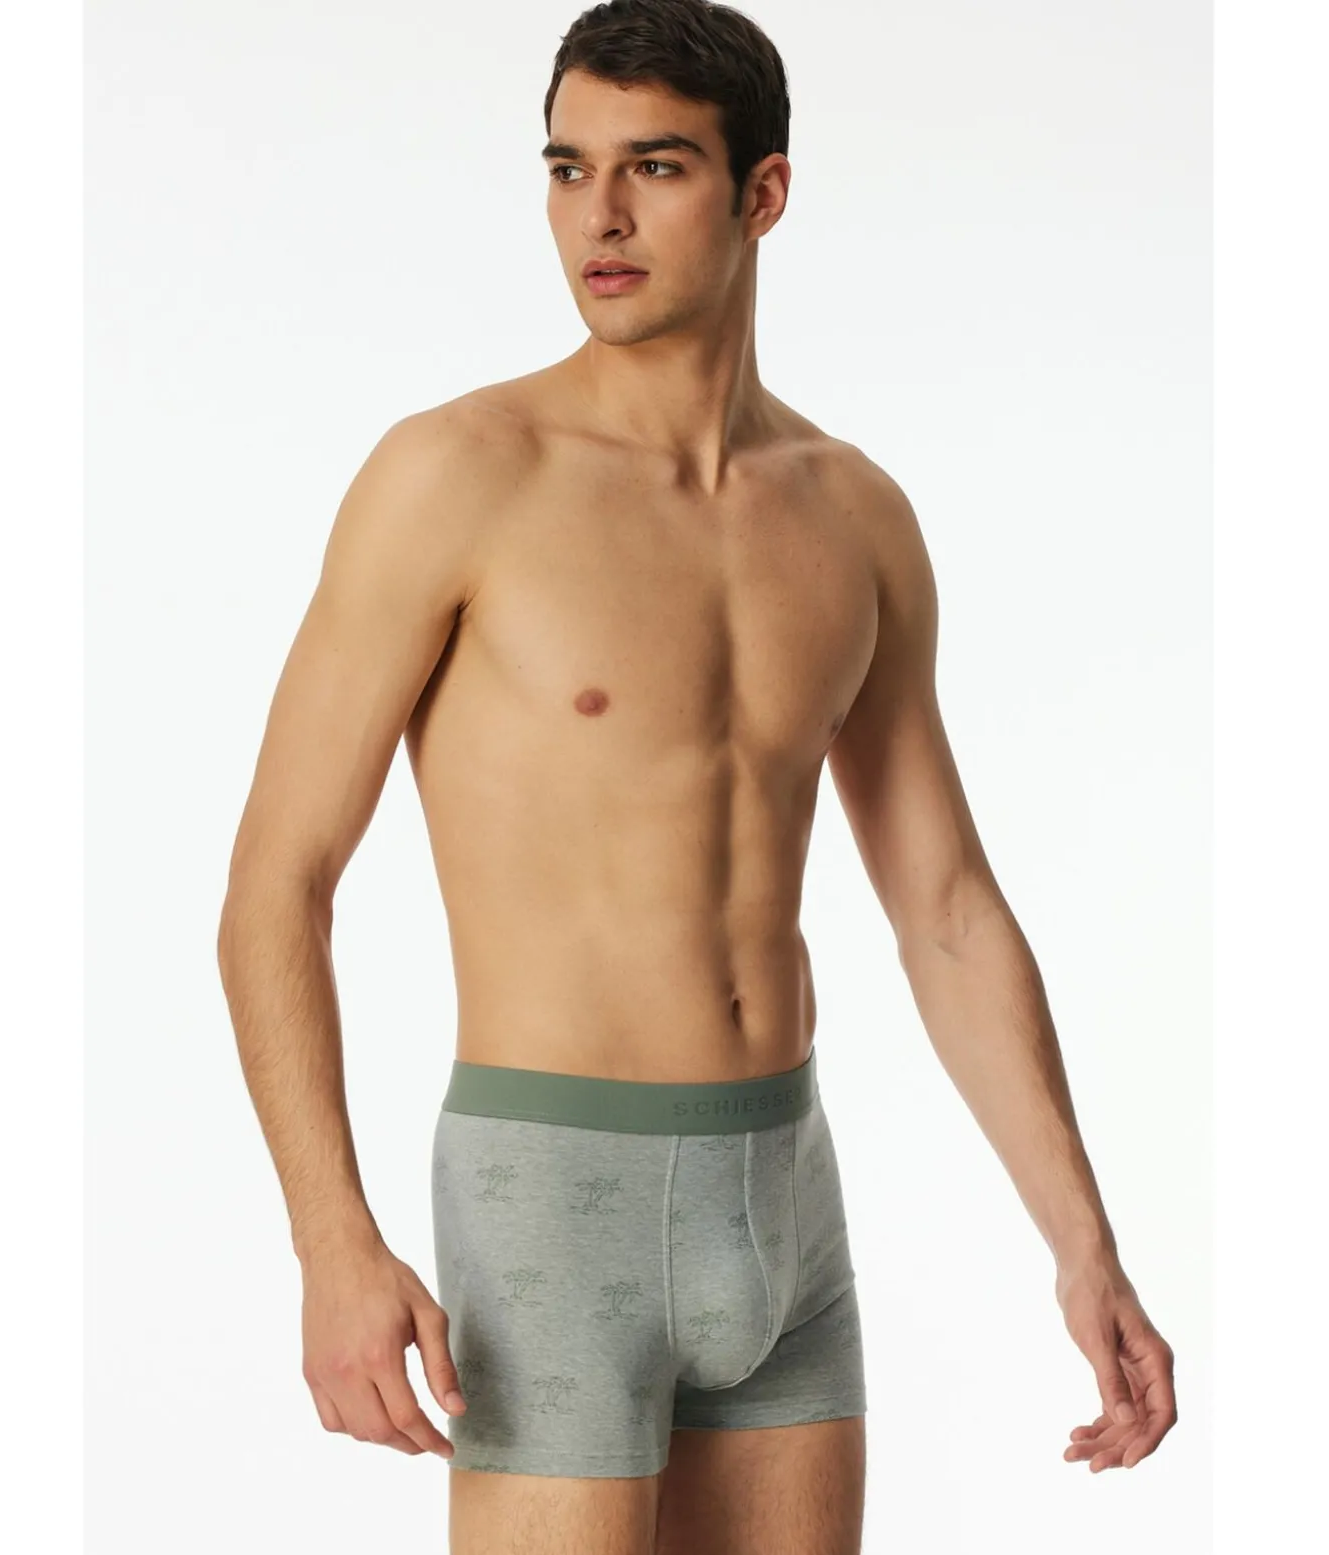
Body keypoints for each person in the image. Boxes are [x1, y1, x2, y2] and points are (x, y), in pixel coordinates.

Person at [215, 1, 1178, 1549]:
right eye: (567, 167)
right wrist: (332, 1239)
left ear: (763, 193)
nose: (597, 214)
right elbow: (279, 878)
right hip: (553, 1199)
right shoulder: (459, 475)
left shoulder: (853, 514)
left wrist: (1085, 1244)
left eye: (654, 167)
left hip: (785, 1197)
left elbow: (943, 907)